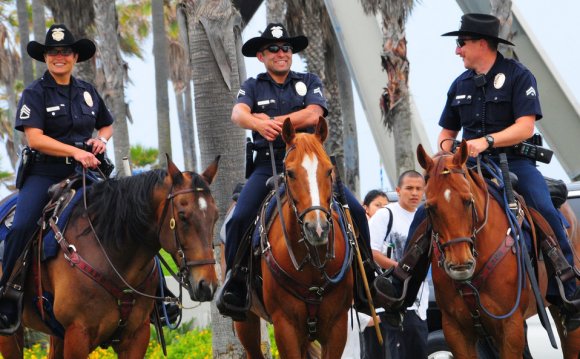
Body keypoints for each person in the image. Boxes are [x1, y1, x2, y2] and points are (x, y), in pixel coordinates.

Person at [374, 13, 579, 332]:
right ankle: (403, 285)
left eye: (462, 43)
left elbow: (525, 127)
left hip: (514, 162)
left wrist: (486, 141)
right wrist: (447, 148)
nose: (457, 50)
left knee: (544, 209)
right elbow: (445, 133)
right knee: (429, 211)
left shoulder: (518, 75)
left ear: (482, 44)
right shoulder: (459, 85)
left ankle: (567, 288)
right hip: (466, 165)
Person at [217, 23, 382, 319]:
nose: (282, 54)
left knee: (356, 210)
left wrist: (274, 120)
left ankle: (367, 276)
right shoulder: (253, 85)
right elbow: (237, 113)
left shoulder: (309, 80)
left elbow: (314, 113)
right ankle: (236, 282)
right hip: (268, 163)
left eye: (286, 49)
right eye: (274, 50)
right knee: (239, 218)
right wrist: (257, 123)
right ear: (261, 56)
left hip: (311, 165)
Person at [0, 24, 114, 331]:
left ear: (75, 56)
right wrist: (74, 151)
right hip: (44, 173)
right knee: (22, 225)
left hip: (85, 172)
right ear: (46, 58)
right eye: (53, 52)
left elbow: (107, 124)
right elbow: (34, 138)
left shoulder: (88, 93)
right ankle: (6, 295)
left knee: (126, 214)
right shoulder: (34, 93)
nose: (59, 57)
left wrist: (101, 140)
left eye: (65, 52)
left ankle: (156, 297)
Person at [369, 170, 428, 359]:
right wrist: (398, 268)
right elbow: (371, 251)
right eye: (409, 188)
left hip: (419, 304)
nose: (414, 193)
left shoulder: (427, 218)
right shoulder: (385, 215)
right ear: (398, 190)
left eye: (419, 189)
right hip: (390, 302)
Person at [360, 189, 388, 359]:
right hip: (368, 298)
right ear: (366, 208)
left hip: (385, 296)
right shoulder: (361, 231)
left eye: (386, 206)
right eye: (378, 205)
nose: (382, 209)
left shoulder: (388, 228)